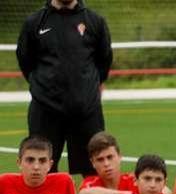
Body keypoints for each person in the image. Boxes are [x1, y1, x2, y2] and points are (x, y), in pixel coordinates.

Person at [16, 0, 112, 176]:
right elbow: (25, 60)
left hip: (86, 112)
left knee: (94, 173)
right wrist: (44, 88)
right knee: (43, 172)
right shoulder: (34, 22)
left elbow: (104, 61)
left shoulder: (95, 21)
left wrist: (85, 90)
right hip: (45, 112)